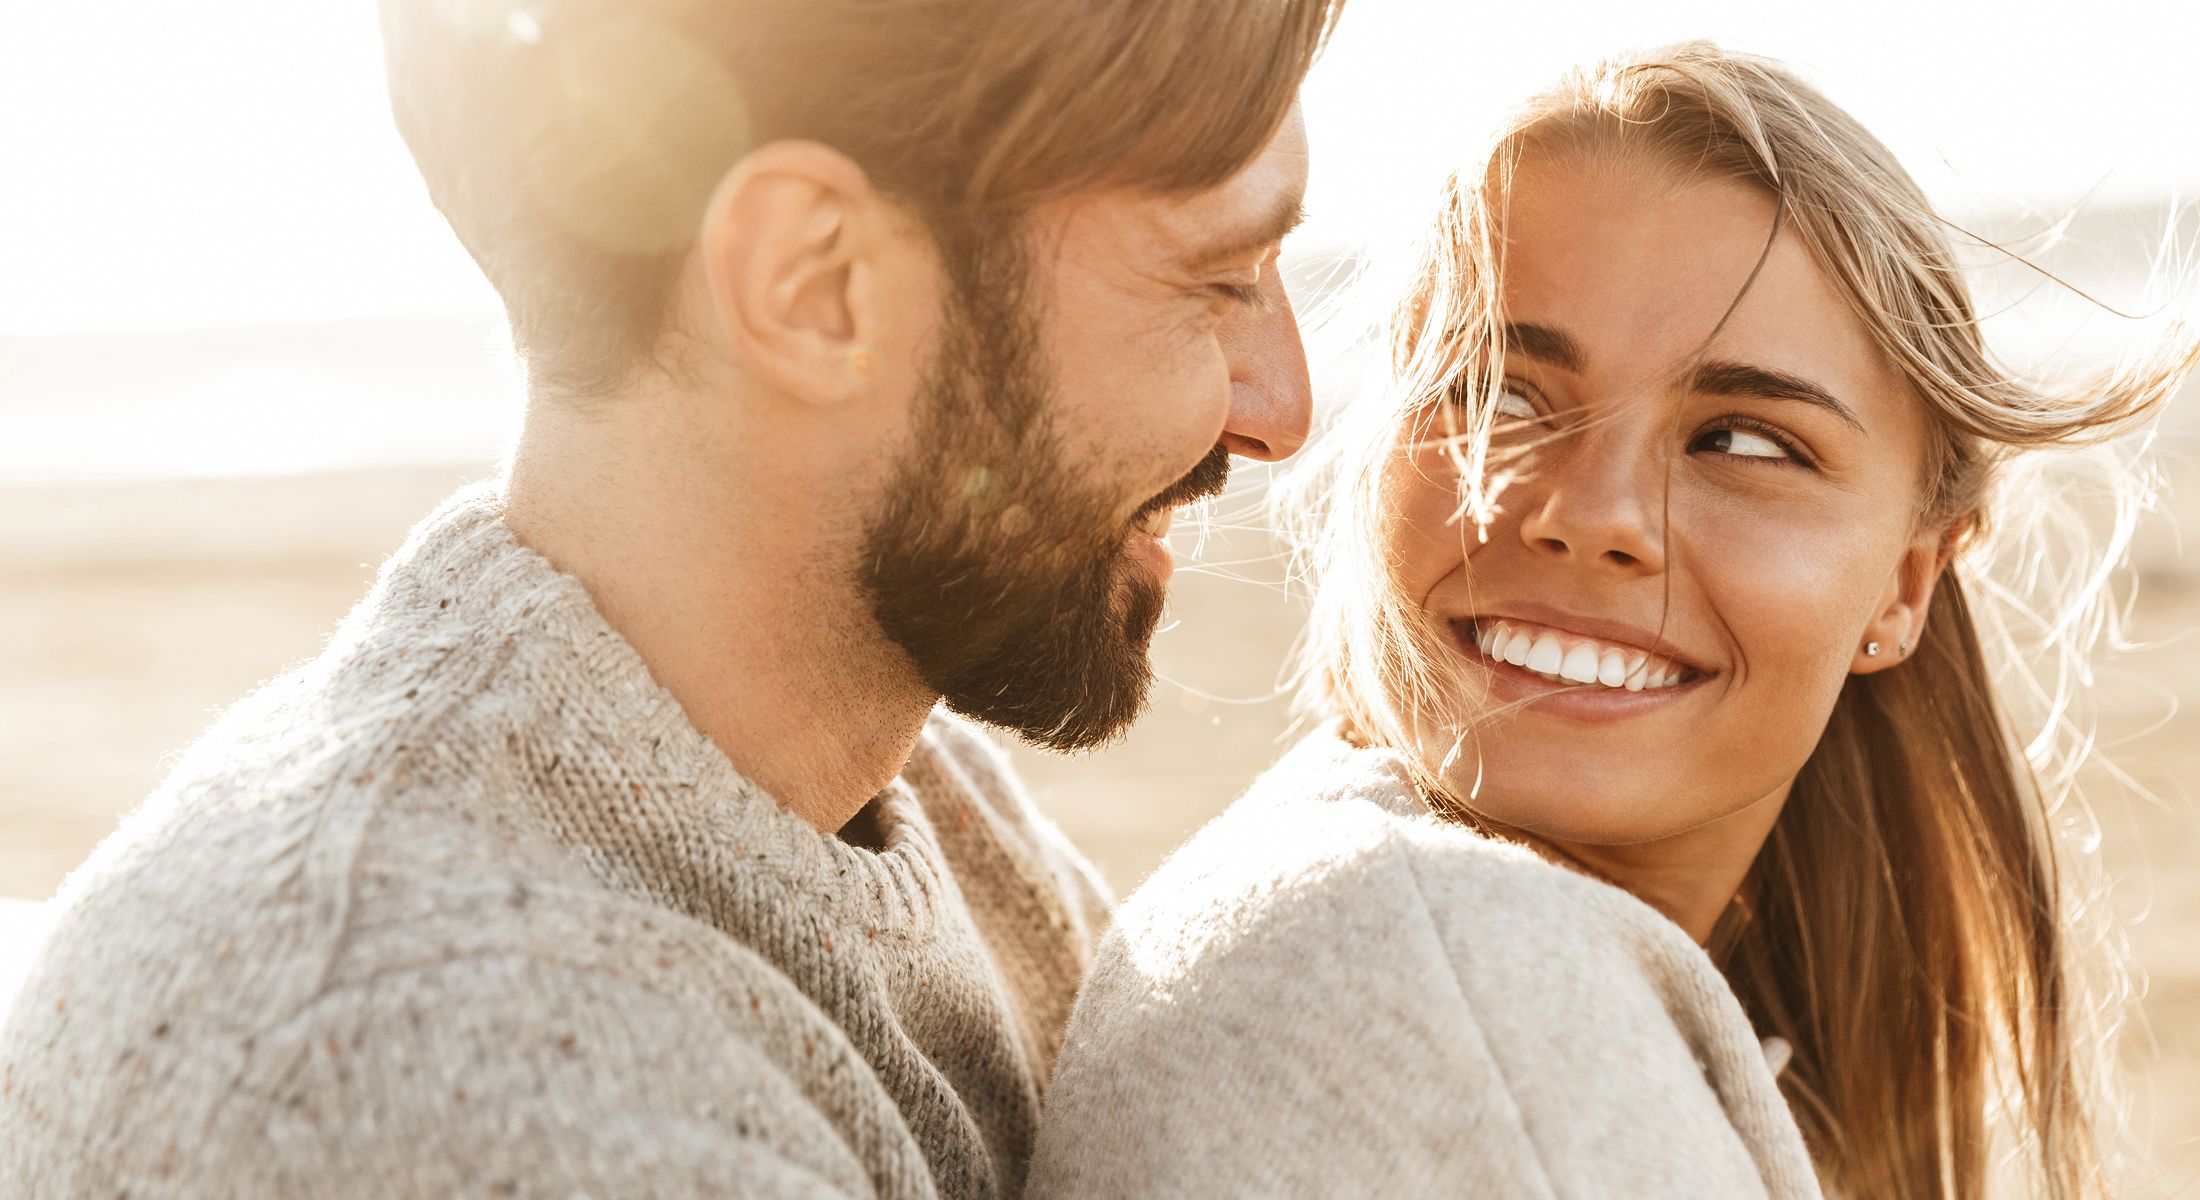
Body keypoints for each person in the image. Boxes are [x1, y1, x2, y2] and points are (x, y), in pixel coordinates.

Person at [0, 0, 1346, 1195]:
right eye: (1217, 279)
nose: (1283, 408)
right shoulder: (448, 1080)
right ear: (815, 286)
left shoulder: (899, 786)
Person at [1027, 42, 2197, 1199]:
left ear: (1903, 587)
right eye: (1503, 396)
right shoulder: (1454, 977)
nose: (1595, 519)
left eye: (1740, 441)